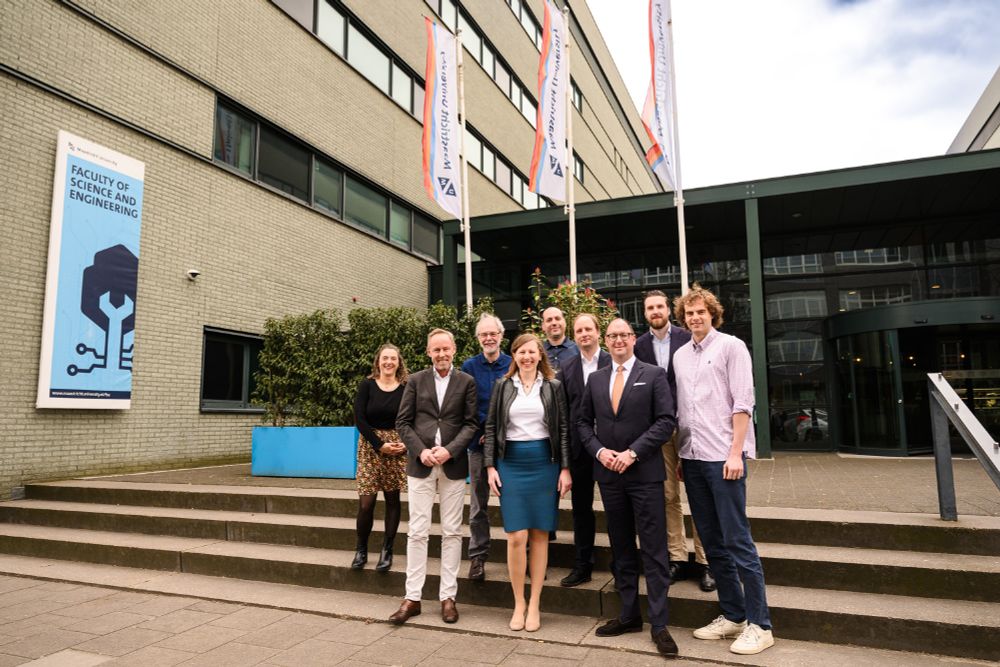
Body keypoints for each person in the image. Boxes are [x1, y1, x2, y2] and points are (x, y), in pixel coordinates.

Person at [673, 287, 775, 656]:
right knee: (712, 543)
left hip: (724, 459)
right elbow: (684, 411)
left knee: (737, 541)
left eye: (701, 311)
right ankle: (732, 615)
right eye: (689, 313)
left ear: (712, 313)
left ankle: (761, 625)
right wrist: (684, 457)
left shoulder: (732, 346)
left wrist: (736, 453)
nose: (695, 317)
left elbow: (742, 402)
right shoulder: (681, 356)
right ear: (683, 318)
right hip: (694, 459)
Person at [578, 318, 679, 658]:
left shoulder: (652, 375)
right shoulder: (595, 379)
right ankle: (628, 614)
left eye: (624, 334)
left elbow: (666, 421)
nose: (618, 339)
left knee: (653, 549)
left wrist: (633, 453)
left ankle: (660, 623)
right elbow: (582, 423)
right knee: (621, 549)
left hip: (644, 475)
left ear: (633, 339)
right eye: (613, 335)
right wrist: (601, 452)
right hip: (610, 478)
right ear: (606, 341)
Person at [484, 333, 572, 633]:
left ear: (540, 355)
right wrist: (489, 467)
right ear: (514, 355)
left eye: (532, 352)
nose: (527, 357)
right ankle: (518, 602)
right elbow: (492, 426)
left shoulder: (553, 386)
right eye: (521, 352)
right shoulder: (502, 386)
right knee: (516, 536)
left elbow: (562, 429)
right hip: (511, 462)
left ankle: (535, 602)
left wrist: (565, 469)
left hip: (544, 463)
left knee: (539, 535)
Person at [389, 329, 477, 626]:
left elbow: (470, 424)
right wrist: (421, 451)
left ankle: (447, 597)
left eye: (445, 349)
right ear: (429, 352)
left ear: (454, 349)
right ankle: (412, 598)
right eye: (435, 350)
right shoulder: (415, 380)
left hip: (452, 466)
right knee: (417, 530)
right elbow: (402, 421)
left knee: (452, 531)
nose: (441, 354)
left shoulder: (466, 381)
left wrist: (450, 451)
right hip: (421, 464)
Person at [634, 290, 715, 593]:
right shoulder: (639, 345)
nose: (655, 311)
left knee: (699, 495)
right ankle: (678, 557)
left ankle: (707, 562)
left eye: (659, 306)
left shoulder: (688, 336)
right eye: (650, 308)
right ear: (645, 313)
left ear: (668, 309)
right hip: (659, 429)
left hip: (692, 426)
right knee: (668, 495)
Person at [557, 313, 610, 587]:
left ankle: (621, 566)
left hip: (612, 449)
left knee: (618, 509)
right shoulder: (566, 368)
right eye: (579, 330)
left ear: (598, 332)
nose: (584, 333)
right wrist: (564, 459)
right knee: (581, 510)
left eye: (588, 328)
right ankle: (582, 565)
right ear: (574, 335)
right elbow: (564, 416)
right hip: (580, 450)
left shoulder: (613, 361)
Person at [460, 313, 512, 582]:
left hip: (509, 446)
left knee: (512, 503)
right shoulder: (468, 367)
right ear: (478, 338)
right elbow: (466, 405)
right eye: (484, 334)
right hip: (478, 446)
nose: (489, 338)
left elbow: (517, 403)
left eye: (493, 333)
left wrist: (495, 432)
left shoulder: (513, 364)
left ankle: (520, 557)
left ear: (501, 335)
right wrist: (484, 431)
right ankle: (478, 557)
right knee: (479, 505)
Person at [351, 344, 408, 572]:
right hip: (370, 446)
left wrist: (404, 442)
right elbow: (359, 418)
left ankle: (387, 549)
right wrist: (379, 445)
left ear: (398, 362)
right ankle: (361, 549)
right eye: (385, 358)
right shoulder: (367, 385)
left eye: (393, 358)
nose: (388, 362)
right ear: (378, 361)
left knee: (393, 500)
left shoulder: (405, 387)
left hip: (396, 447)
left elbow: (411, 416)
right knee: (366, 504)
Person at [541, 306, 578, 370]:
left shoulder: (578, 351)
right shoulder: (538, 352)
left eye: (557, 319)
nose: (554, 323)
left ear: (565, 322)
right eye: (549, 320)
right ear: (543, 326)